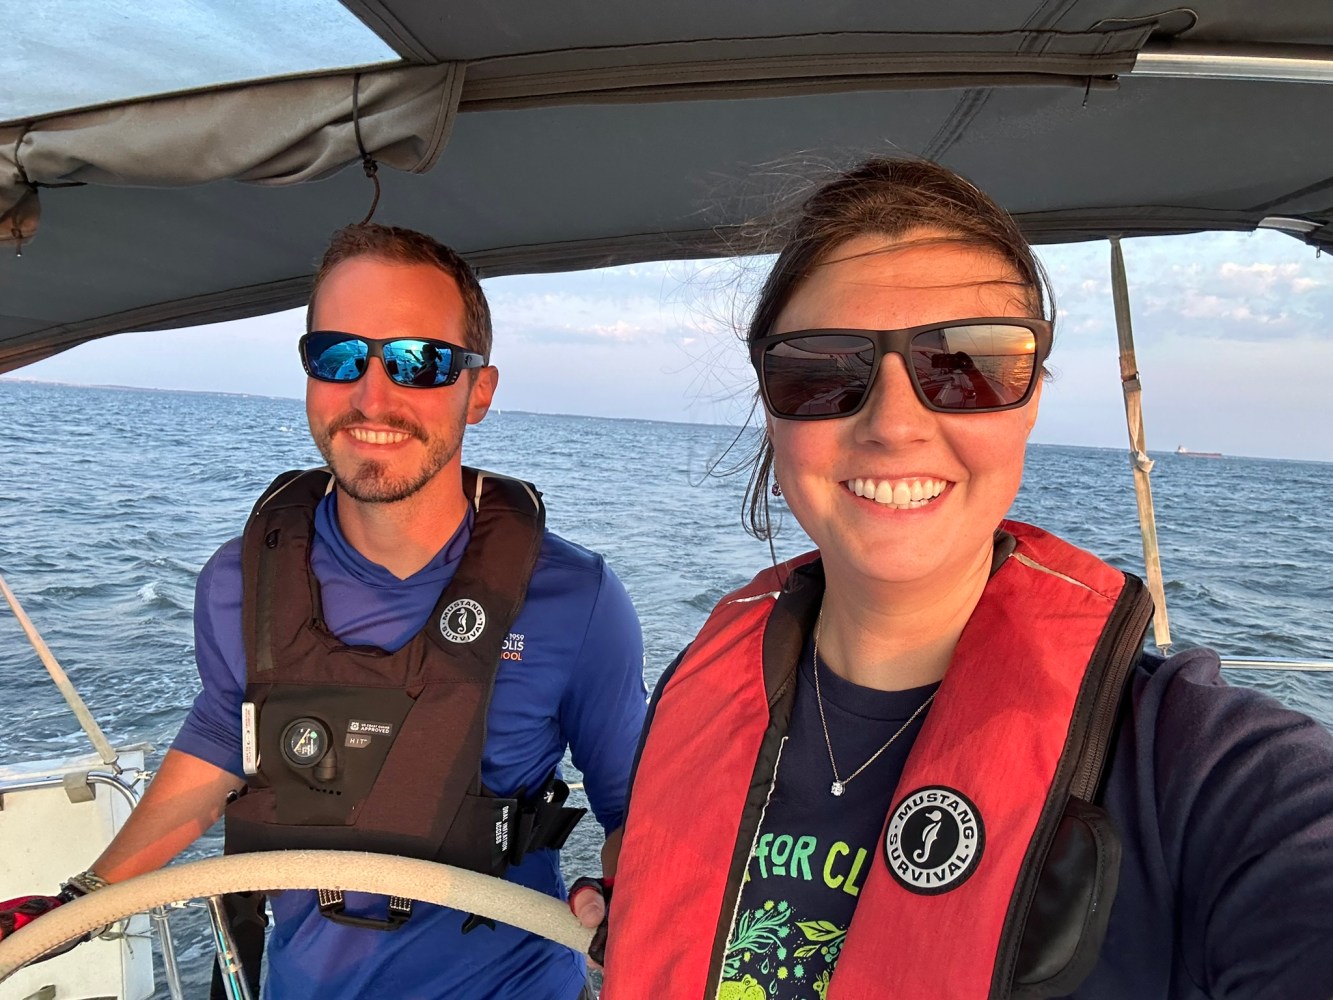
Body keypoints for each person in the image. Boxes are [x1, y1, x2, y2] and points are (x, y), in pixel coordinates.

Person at [601, 159, 1333, 999]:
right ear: (771, 404)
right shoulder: (695, 690)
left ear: (1032, 396)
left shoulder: (1207, 776)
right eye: (821, 369)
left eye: (966, 366)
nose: (893, 425)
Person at [0, 223, 646, 998]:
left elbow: (633, 811)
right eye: (339, 356)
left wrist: (629, 905)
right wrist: (81, 897)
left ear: (478, 392)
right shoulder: (239, 582)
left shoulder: (575, 599)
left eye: (421, 362)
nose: (373, 396)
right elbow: (219, 736)